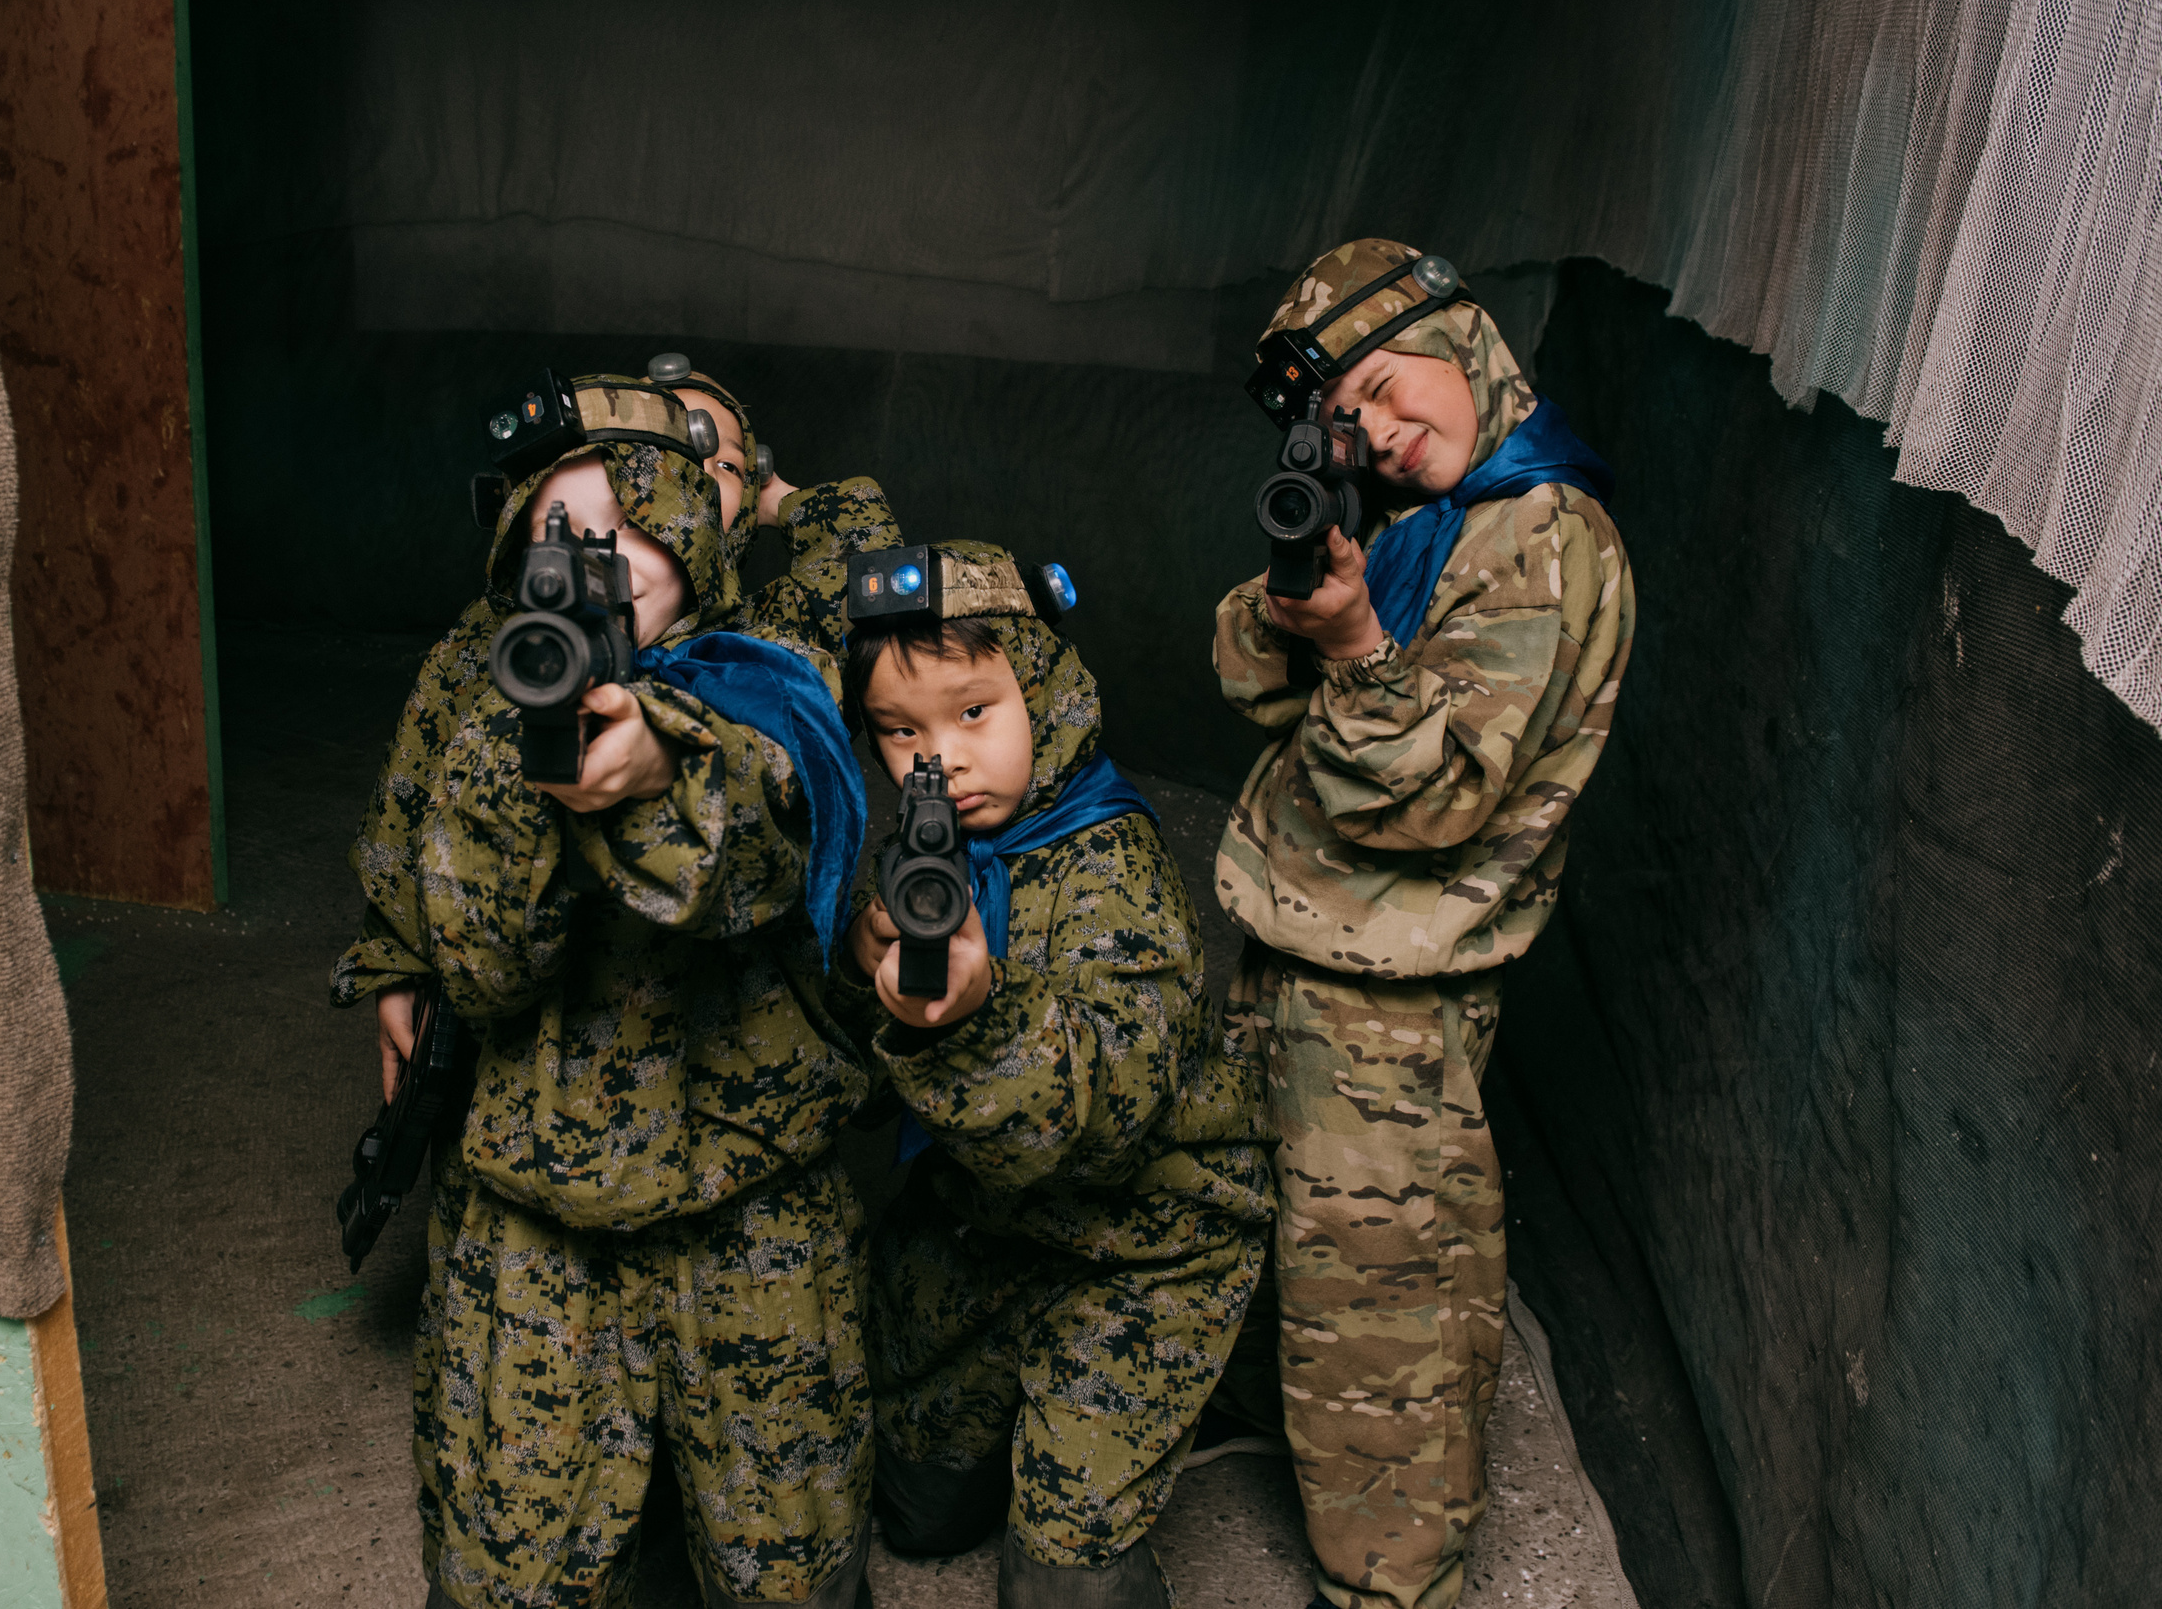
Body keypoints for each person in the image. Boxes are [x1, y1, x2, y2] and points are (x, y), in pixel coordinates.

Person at [332, 374, 879, 1609]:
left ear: (701, 539)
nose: (598, 560)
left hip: (744, 1175)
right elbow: (413, 861)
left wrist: (645, 778)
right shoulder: (476, 677)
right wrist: (396, 969)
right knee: (510, 1550)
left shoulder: (767, 669)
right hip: (532, 1182)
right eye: (562, 530)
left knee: (787, 1547)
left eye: (635, 527)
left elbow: (761, 842)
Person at [1211, 240, 1636, 1609]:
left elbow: (1429, 797)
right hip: (1308, 971)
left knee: (1382, 1346)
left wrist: (1345, 645)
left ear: (1468, 340)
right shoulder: (1418, 526)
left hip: (1387, 1019)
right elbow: (1237, 667)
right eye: (1349, 427)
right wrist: (1305, 598)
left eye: (1394, 393)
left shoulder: (1545, 535)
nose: (1386, 437)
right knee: (1301, 1282)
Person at [832, 543, 1277, 1609]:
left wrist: (977, 1018)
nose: (938, 761)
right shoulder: (934, 843)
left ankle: (1181, 1392)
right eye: (900, 731)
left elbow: (1101, 1116)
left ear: (1043, 690)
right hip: (998, 1222)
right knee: (915, 1510)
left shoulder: (1111, 867)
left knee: (1060, 1586)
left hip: (1145, 1238)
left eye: (974, 712)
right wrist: (866, 957)